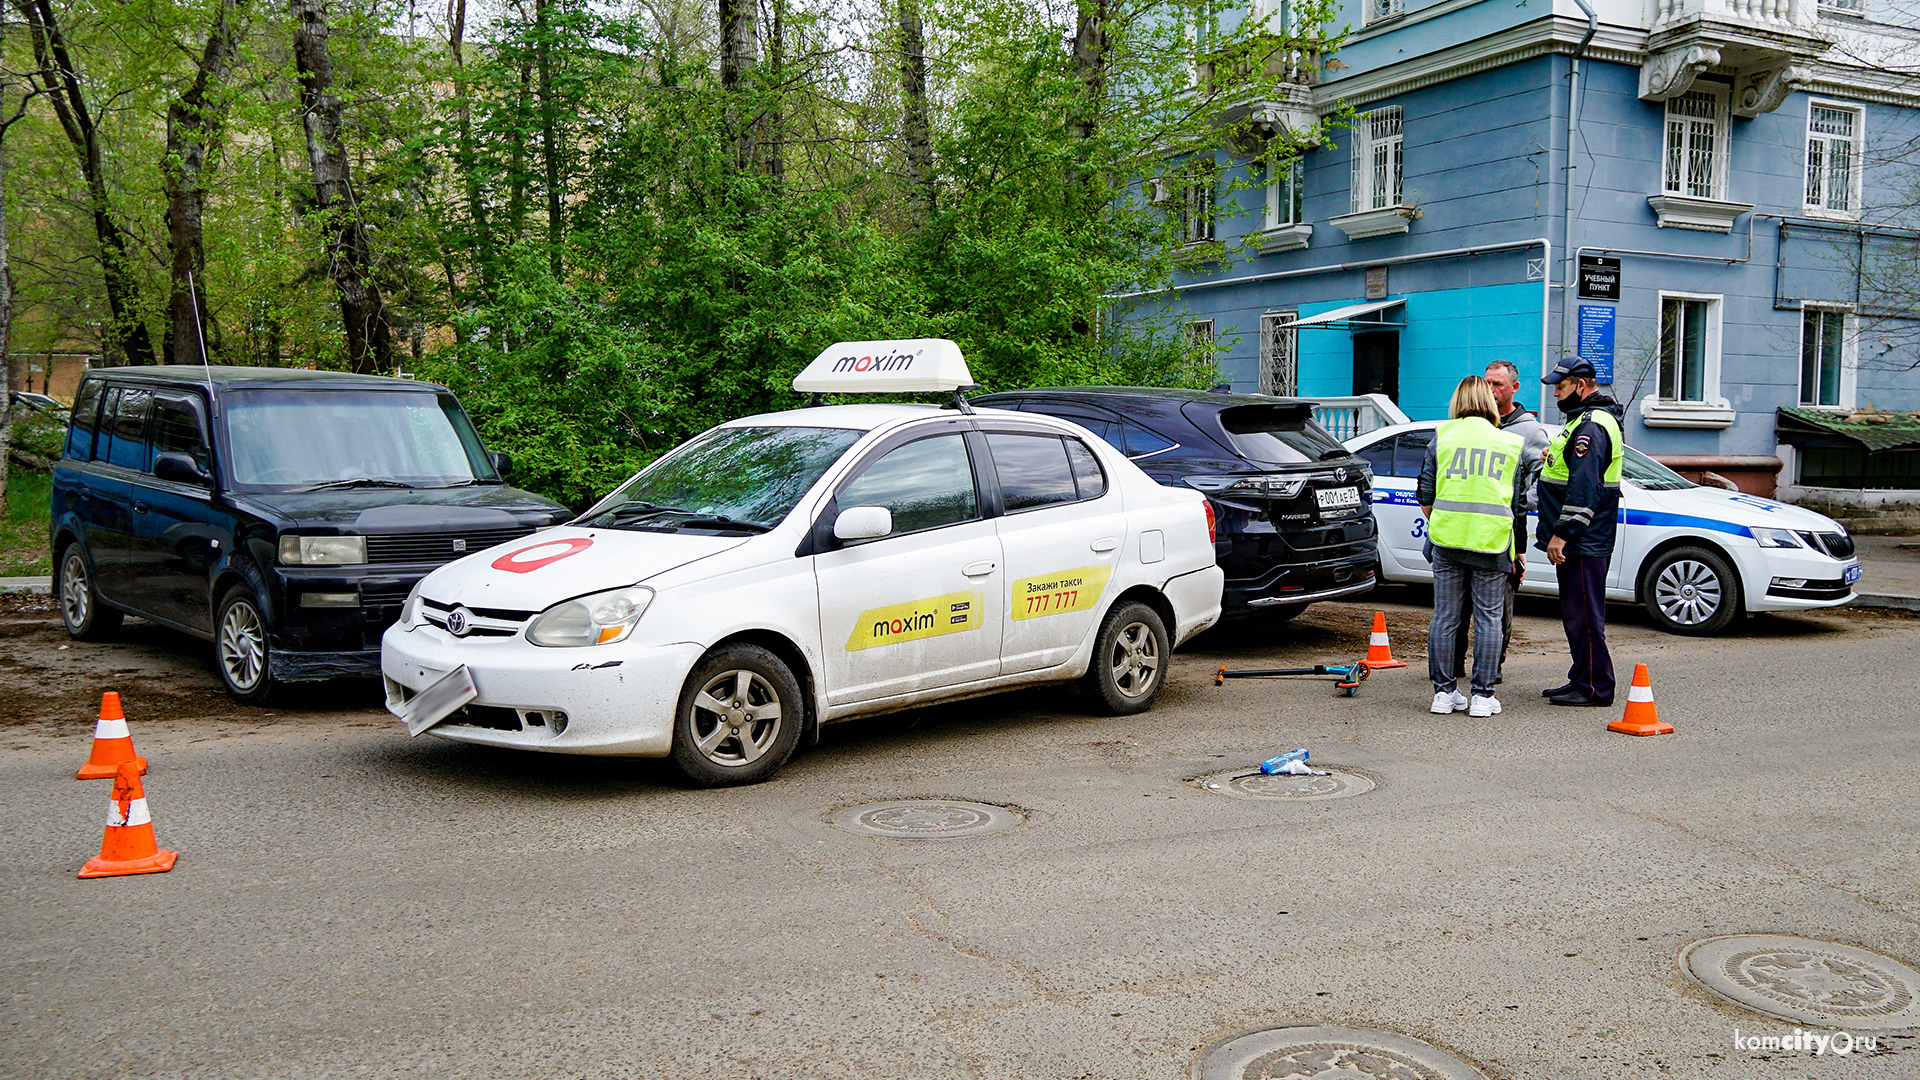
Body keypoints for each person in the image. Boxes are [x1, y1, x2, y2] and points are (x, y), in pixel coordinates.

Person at [1419, 376, 1528, 718]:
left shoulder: (1442, 438)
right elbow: (1518, 506)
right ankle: (1482, 695)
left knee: (1445, 617)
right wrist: (1519, 551)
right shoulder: (1510, 443)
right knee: (1489, 619)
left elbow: (1425, 496)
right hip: (1492, 543)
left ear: (1458, 401)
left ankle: (1443, 693)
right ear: (1490, 402)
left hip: (1448, 541)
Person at [1453, 360, 1553, 682]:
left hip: (1502, 534)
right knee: (1456, 608)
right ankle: (1452, 664)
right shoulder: (1468, 426)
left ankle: (1491, 668)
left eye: (1498, 384)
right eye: (1488, 383)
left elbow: (1544, 478)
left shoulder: (1527, 431)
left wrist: (1519, 506)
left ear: (1514, 388)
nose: (1492, 390)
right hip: (1463, 533)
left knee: (1496, 610)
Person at [1536, 356, 1626, 707]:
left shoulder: (1591, 426)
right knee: (1577, 615)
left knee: (1586, 617)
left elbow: (1585, 488)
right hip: (1584, 539)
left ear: (1581, 385)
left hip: (1584, 540)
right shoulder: (1583, 423)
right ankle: (1581, 677)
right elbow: (1574, 471)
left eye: (1560, 387)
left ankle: (1595, 688)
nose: (1556, 394)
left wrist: (1563, 534)